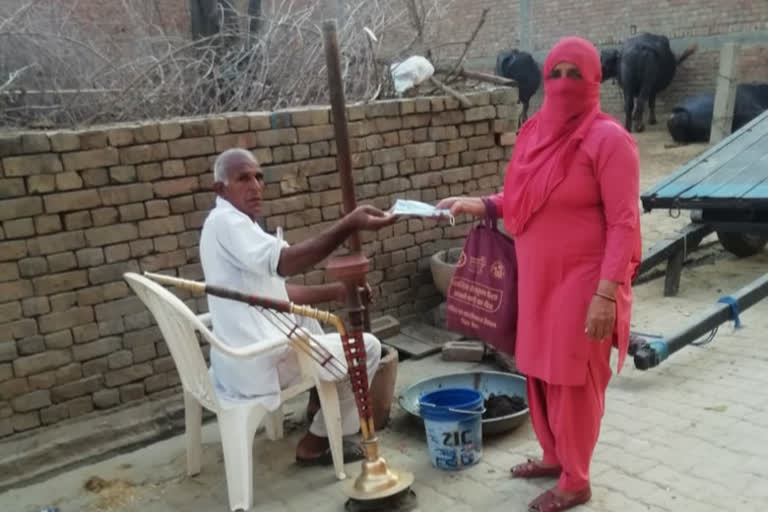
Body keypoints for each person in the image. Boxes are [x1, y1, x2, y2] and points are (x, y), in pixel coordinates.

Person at [437, 37, 642, 512]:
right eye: (557, 73)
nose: (565, 83)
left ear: (595, 80)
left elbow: (624, 223)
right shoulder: (532, 132)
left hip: (585, 283)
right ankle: (553, 455)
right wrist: (482, 204)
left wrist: (606, 295)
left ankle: (576, 478)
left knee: (572, 379)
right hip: (537, 279)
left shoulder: (609, 141)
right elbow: (526, 200)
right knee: (539, 372)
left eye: (577, 74)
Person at [200, 148, 396, 465]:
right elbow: (286, 264)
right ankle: (316, 441)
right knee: (368, 348)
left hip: (240, 354)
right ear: (219, 189)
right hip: (253, 362)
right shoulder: (227, 223)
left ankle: (318, 405)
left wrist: (336, 291)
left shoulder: (233, 224)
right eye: (243, 179)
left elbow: (278, 292)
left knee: (308, 322)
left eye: (259, 177)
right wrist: (349, 225)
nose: (255, 186)